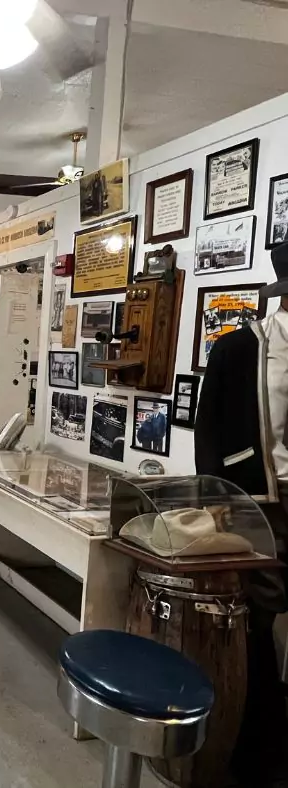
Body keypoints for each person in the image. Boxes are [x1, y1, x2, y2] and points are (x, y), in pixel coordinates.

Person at [195, 241, 288, 784]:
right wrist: (218, 500)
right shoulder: (238, 351)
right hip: (261, 504)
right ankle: (257, 740)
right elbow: (209, 434)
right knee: (259, 618)